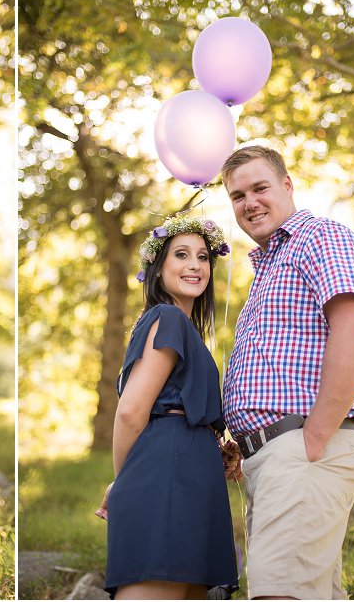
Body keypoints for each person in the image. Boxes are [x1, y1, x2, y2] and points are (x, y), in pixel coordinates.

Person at [221, 145, 354, 600]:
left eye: (259, 188)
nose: (249, 202)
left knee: (279, 593)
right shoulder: (268, 268)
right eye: (237, 196)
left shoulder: (319, 238)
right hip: (277, 458)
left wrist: (313, 438)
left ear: (287, 186)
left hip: (306, 450)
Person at [96, 216, 239, 600]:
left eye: (203, 257)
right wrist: (122, 481)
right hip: (167, 476)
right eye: (181, 255)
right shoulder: (169, 317)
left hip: (194, 477)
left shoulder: (185, 328)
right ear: (157, 270)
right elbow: (130, 412)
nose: (195, 265)